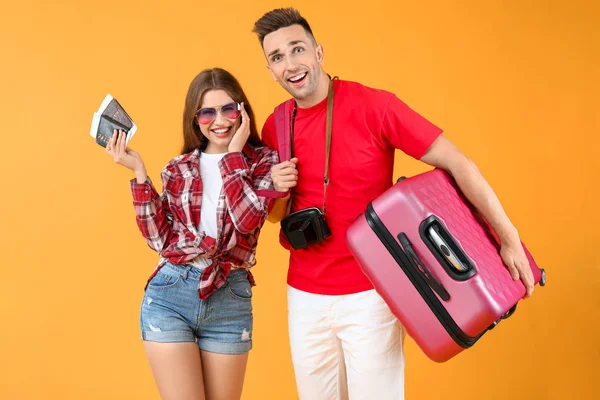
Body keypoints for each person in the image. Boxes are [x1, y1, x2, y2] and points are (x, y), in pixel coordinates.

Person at [252, 8, 535, 400]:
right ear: (270, 70)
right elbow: (274, 217)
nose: (290, 64)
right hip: (305, 298)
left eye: (297, 49)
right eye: (277, 57)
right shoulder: (275, 125)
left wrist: (508, 237)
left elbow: (458, 163)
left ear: (318, 52)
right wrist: (275, 187)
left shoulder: (374, 106)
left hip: (372, 293)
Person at [105, 68, 278, 400]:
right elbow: (160, 240)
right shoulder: (178, 167)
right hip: (171, 293)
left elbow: (248, 219)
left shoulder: (263, 162)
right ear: (195, 118)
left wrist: (231, 158)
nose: (220, 120)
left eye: (228, 109)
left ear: (242, 111)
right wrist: (139, 172)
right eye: (207, 112)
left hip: (230, 297)